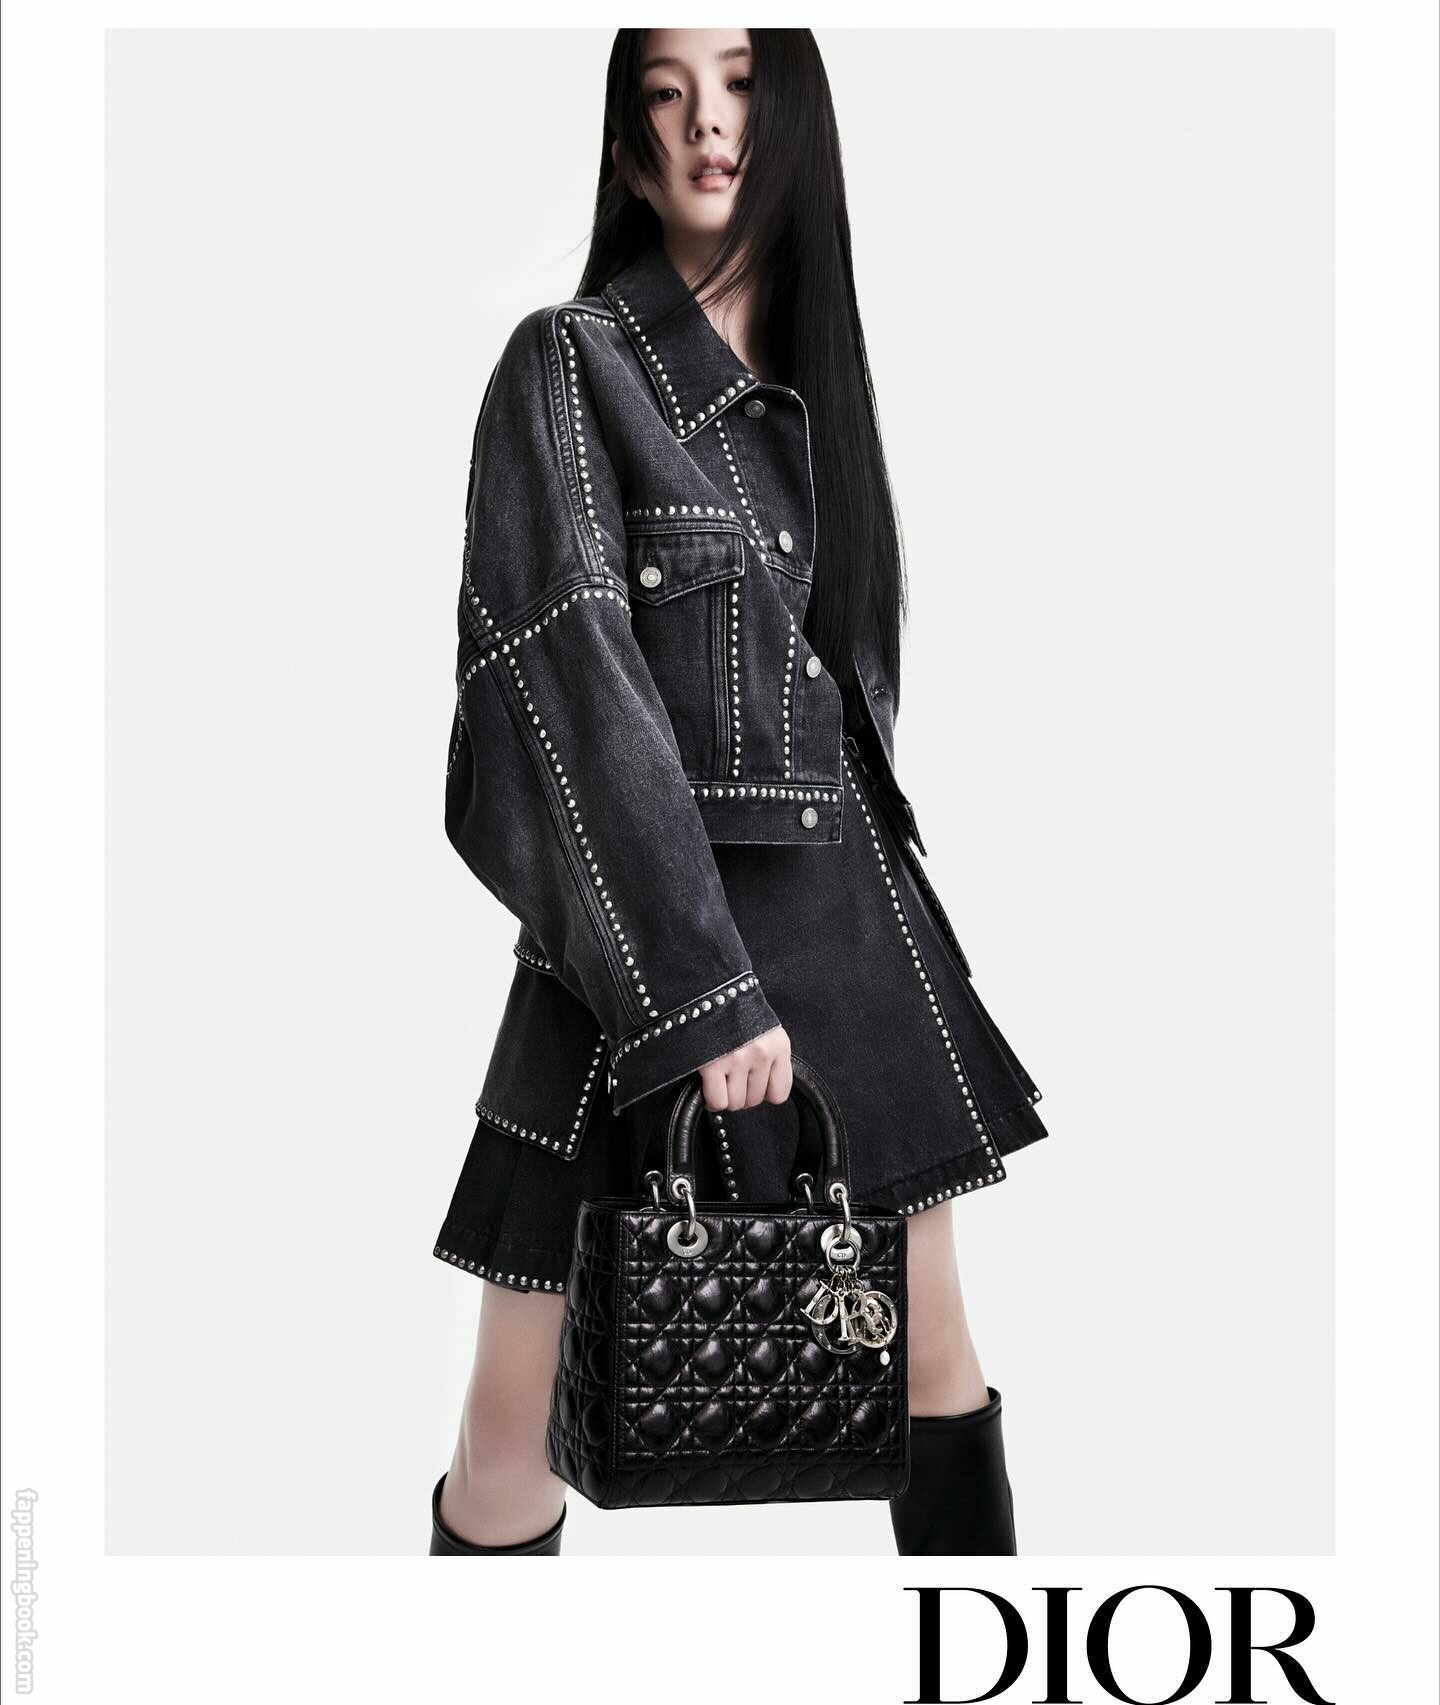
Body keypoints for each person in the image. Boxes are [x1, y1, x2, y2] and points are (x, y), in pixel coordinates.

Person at [428, 27, 1049, 1558]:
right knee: (513, 1436)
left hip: (852, 941)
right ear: (628, 151)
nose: (708, 122)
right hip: (635, 958)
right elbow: (561, 683)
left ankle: (985, 1654)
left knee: (934, 1368)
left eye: (742, 83)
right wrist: (699, 996)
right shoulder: (571, 365)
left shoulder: (818, 386)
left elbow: (838, 720)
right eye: (665, 92)